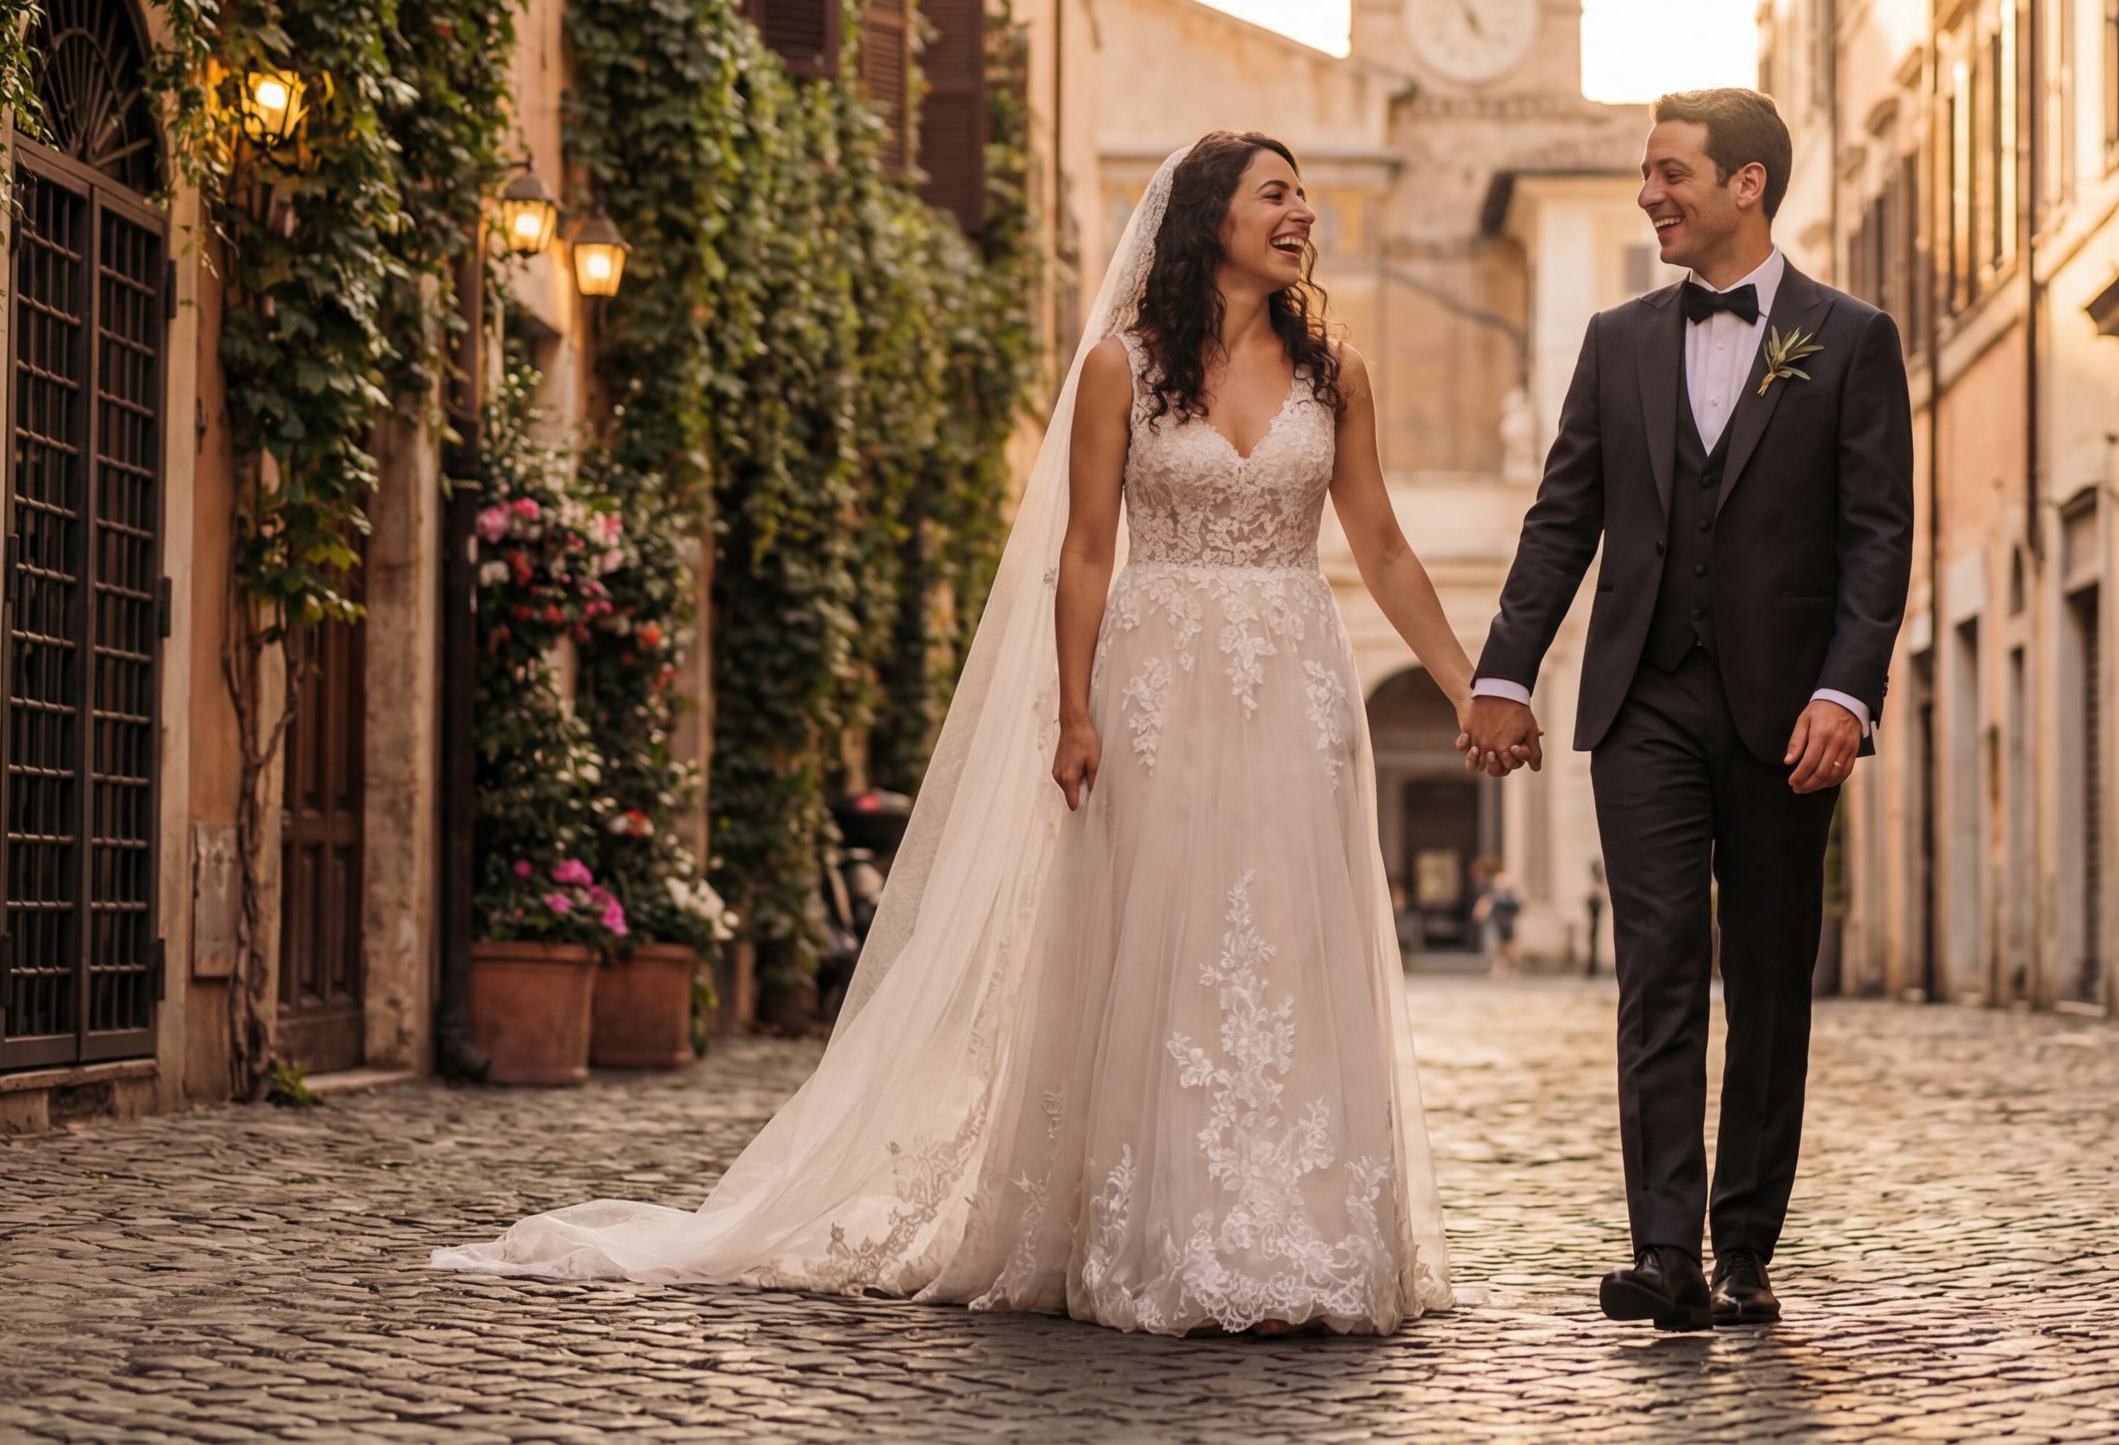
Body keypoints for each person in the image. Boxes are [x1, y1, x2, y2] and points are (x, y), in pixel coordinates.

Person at [438, 134, 1473, 1337]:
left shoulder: (1335, 372)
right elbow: (1087, 551)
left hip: (1292, 679)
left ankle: (1304, 1238)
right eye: (1277, 194)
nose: (1303, 214)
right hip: (1153, 682)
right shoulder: (1118, 370)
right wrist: (1076, 706)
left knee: (1287, 939)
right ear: (1210, 222)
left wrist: (1468, 686)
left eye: (1303, 197)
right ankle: (1161, 1231)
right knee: (1162, 934)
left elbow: (1384, 545)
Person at [1464, 89, 1912, 1333]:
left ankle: (1747, 1247)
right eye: (1646, 174)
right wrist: (1505, 670)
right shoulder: (1614, 341)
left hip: (1789, 716)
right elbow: (1564, 518)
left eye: (1671, 174)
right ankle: (1664, 1250)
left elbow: (1880, 539)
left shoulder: (1850, 339)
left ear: (1747, 185)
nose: (1649, 194)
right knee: (1658, 970)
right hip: (1646, 700)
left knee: (1767, 979)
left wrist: (1847, 691)